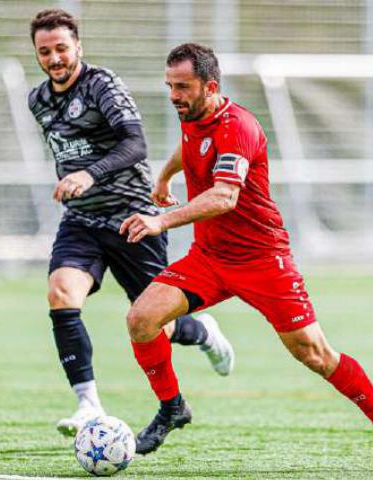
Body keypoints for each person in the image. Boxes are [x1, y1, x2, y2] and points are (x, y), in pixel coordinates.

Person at [120, 43, 373, 471]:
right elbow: (191, 146)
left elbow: (224, 197)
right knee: (141, 319)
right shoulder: (193, 116)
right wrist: (165, 176)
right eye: (170, 86)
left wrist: (162, 220)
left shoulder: (239, 127)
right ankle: (172, 407)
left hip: (262, 260)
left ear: (210, 86)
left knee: (315, 354)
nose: (174, 95)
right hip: (209, 258)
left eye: (182, 86)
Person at [27, 10, 234, 437]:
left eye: (61, 48)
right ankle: (88, 405)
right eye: (45, 51)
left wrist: (89, 174)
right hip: (82, 220)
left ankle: (202, 331)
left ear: (78, 47)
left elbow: (136, 144)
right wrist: (74, 181)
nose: (54, 58)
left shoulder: (102, 84)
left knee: (157, 320)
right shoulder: (38, 99)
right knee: (61, 294)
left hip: (132, 217)